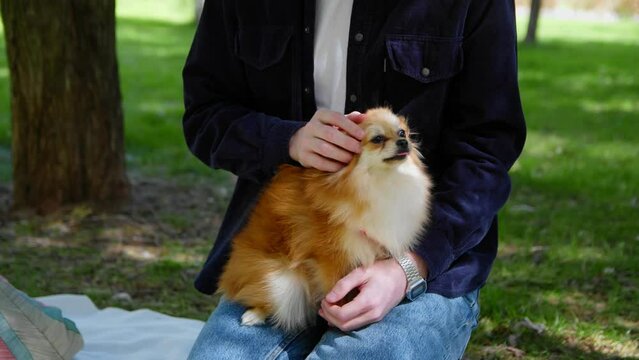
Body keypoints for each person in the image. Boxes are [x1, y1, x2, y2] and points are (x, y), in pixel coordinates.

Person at [182, 0, 526, 358]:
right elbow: (205, 113)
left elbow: (488, 148)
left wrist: (408, 268)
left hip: (427, 260)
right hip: (288, 251)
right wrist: (287, 140)